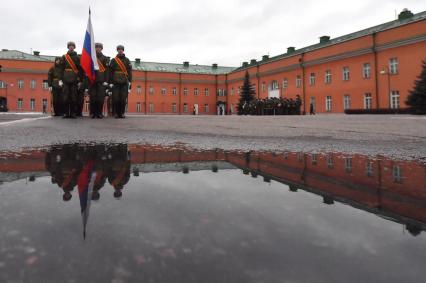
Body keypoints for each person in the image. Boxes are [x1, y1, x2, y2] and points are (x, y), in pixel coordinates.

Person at [59, 41, 83, 118]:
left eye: (72, 46)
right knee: (65, 96)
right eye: (70, 46)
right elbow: (61, 69)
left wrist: (79, 80)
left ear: (74, 47)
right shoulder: (64, 57)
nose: (71, 47)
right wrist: (60, 79)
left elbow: (80, 69)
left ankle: (72, 113)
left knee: (73, 97)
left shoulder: (77, 57)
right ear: (68, 47)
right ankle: (66, 113)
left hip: (74, 78)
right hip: (65, 78)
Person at [109, 45, 132, 118]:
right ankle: (116, 113)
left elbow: (129, 71)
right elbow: (110, 72)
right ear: (117, 50)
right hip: (115, 81)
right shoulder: (113, 60)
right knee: (116, 98)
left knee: (123, 99)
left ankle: (122, 113)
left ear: (123, 50)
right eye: (119, 49)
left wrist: (130, 81)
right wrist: (110, 82)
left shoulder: (127, 60)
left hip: (124, 82)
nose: (120, 50)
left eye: (121, 49)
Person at [88, 43, 110, 119]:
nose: (97, 48)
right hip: (93, 80)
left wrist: (106, 81)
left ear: (101, 48)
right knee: (93, 98)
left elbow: (107, 71)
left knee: (100, 98)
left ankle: (99, 113)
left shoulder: (105, 58)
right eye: (96, 47)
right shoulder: (91, 58)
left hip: (101, 81)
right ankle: (92, 113)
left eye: (99, 47)